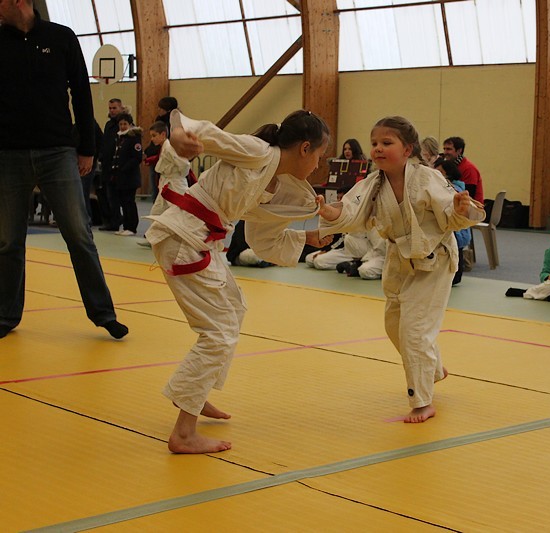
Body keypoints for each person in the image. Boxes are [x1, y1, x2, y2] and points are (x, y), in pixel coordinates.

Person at [145, 108, 332, 453]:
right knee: (219, 332)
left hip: (202, 241)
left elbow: (263, 241)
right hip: (184, 237)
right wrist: (179, 133)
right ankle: (183, 432)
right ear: (305, 148)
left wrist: (307, 238)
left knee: (235, 308)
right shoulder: (258, 152)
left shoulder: (276, 183)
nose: (318, 165)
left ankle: (195, 392)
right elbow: (203, 130)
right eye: (319, 155)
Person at [317, 116, 485, 423]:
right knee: (394, 324)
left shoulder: (427, 178)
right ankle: (433, 369)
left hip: (434, 259)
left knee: (414, 329)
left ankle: (422, 401)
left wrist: (461, 208)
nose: (378, 149)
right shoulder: (373, 182)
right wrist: (330, 212)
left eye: (387, 143)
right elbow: (352, 211)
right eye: (374, 143)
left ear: (407, 149)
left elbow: (454, 212)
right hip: (399, 259)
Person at [0, 0, 127, 340]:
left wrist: (87, 148)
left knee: (79, 235)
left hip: (57, 152)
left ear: (18, 1)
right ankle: (5, 315)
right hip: (8, 155)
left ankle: (104, 314)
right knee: (8, 241)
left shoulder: (61, 37)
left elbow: (82, 93)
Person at [433, 157, 471, 285]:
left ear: (448, 174)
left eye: (439, 173)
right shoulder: (458, 188)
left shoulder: (453, 191)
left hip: (456, 236)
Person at [306, 227, 386, 280]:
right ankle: (354, 263)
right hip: (345, 248)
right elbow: (340, 236)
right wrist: (327, 249)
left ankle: (355, 263)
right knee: (310, 259)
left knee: (365, 271)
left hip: (377, 254)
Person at [109, 113, 142, 236]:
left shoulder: (134, 138)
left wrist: (124, 169)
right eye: (121, 124)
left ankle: (132, 227)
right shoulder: (120, 138)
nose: (123, 126)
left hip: (130, 177)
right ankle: (126, 225)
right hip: (120, 177)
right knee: (123, 202)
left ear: (130, 124)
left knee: (129, 202)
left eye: (125, 124)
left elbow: (137, 158)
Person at [98, 98, 126, 231]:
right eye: (110, 108)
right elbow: (105, 143)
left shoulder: (124, 125)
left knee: (120, 197)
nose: (112, 110)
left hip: (119, 166)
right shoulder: (108, 125)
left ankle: (122, 221)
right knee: (108, 195)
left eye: (114, 108)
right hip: (106, 165)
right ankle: (112, 220)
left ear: (121, 108)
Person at [442, 136, 484, 204]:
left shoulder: (469, 169)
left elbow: (469, 196)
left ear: (459, 150)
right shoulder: (450, 166)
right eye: (444, 149)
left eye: (449, 149)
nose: (445, 152)